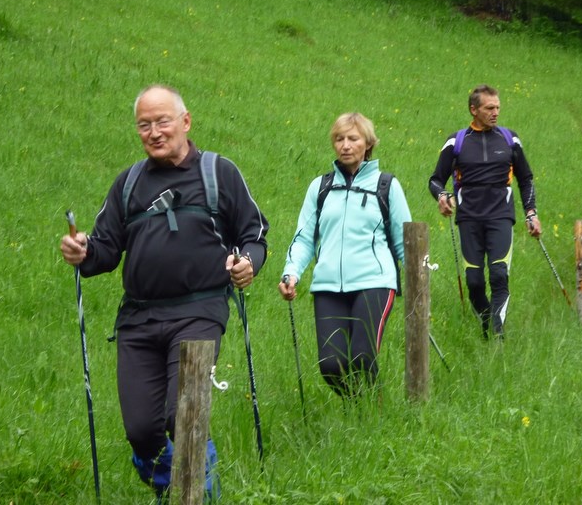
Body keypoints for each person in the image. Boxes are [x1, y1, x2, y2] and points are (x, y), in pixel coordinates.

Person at [60, 84, 268, 502]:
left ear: (185, 122)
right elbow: (103, 250)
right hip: (138, 320)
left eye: (162, 121)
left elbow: (255, 232)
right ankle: (177, 486)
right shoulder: (129, 183)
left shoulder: (218, 172)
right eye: (144, 125)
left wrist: (248, 262)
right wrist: (82, 251)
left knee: (184, 414)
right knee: (140, 430)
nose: (154, 132)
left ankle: (197, 495)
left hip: (199, 310)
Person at [278, 112, 411, 398]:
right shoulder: (321, 187)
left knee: (363, 358)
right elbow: (304, 238)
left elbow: (405, 243)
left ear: (368, 143)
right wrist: (291, 273)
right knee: (331, 365)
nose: (345, 145)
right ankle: (359, 406)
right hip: (328, 286)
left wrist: (417, 288)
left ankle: (373, 413)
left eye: (353, 138)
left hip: (374, 282)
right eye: (339, 139)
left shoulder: (386, 186)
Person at [428, 84, 541, 340]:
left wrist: (531, 213)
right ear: (473, 110)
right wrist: (442, 196)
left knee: (500, 275)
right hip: (469, 219)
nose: (495, 112)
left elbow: (526, 178)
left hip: (501, 216)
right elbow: (435, 180)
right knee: (475, 283)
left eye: (498, 107)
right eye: (489, 108)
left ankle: (497, 335)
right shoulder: (456, 142)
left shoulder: (509, 139)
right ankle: (488, 326)